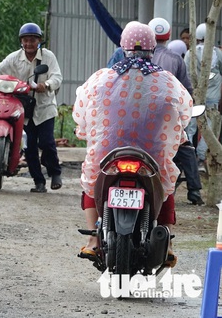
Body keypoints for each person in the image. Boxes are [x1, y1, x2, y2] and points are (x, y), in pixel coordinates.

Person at [73, 21, 192, 266]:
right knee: (165, 184)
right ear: (152, 48)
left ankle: (94, 241)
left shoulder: (102, 78)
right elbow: (184, 111)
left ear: (123, 47)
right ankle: (167, 244)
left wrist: (85, 131)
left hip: (109, 152)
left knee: (92, 180)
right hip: (151, 155)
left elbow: (82, 109)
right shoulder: (166, 81)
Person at [0, 23, 63, 192]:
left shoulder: (48, 57)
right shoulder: (14, 57)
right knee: (30, 146)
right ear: (21, 41)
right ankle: (38, 182)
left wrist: (45, 85)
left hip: (44, 107)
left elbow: (57, 77)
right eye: (25, 40)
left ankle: (55, 172)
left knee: (47, 142)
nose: (29, 44)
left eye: (32, 40)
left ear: (39, 41)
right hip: (24, 108)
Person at [148, 17, 204, 205]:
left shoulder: (136, 58)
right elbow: (186, 91)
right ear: (169, 36)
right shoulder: (175, 60)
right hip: (168, 119)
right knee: (186, 148)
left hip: (139, 118)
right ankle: (194, 191)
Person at [185, 23, 222, 171]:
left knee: (191, 128)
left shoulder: (190, 53)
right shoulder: (217, 53)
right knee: (210, 129)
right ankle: (201, 159)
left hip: (194, 96)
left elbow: (186, 73)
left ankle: (188, 158)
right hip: (212, 98)